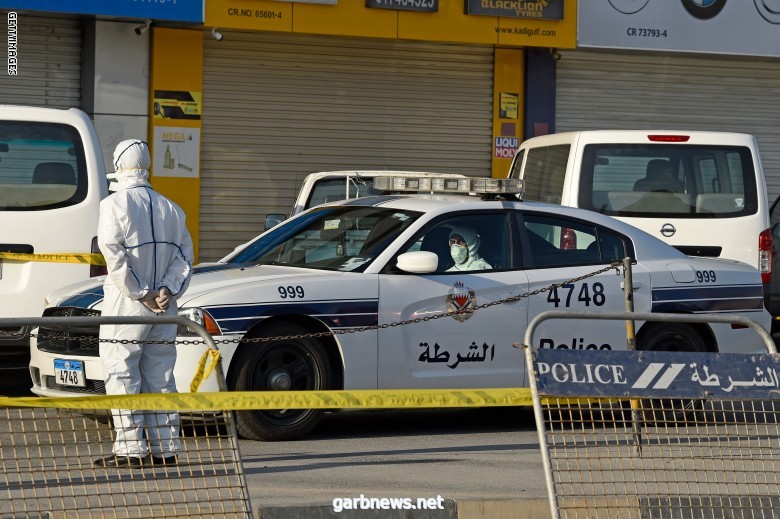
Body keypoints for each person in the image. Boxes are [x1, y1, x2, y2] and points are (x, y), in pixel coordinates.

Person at [94, 139, 194, 469]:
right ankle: (166, 449)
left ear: (119, 166)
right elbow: (184, 258)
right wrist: (166, 291)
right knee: (161, 376)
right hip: (165, 308)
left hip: (127, 306)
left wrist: (141, 293)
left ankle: (130, 449)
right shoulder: (172, 208)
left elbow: (114, 256)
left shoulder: (114, 205)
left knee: (122, 373)